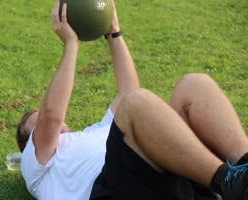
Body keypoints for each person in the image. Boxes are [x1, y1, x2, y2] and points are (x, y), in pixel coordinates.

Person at [16, 0, 248, 199]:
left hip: (160, 178)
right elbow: (52, 116)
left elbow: (130, 92)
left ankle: (244, 169)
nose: (57, 125)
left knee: (194, 85)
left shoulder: (95, 132)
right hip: (112, 191)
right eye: (36, 127)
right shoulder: (37, 169)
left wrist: (113, 32)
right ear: (28, 146)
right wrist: (71, 45)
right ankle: (227, 181)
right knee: (134, 104)